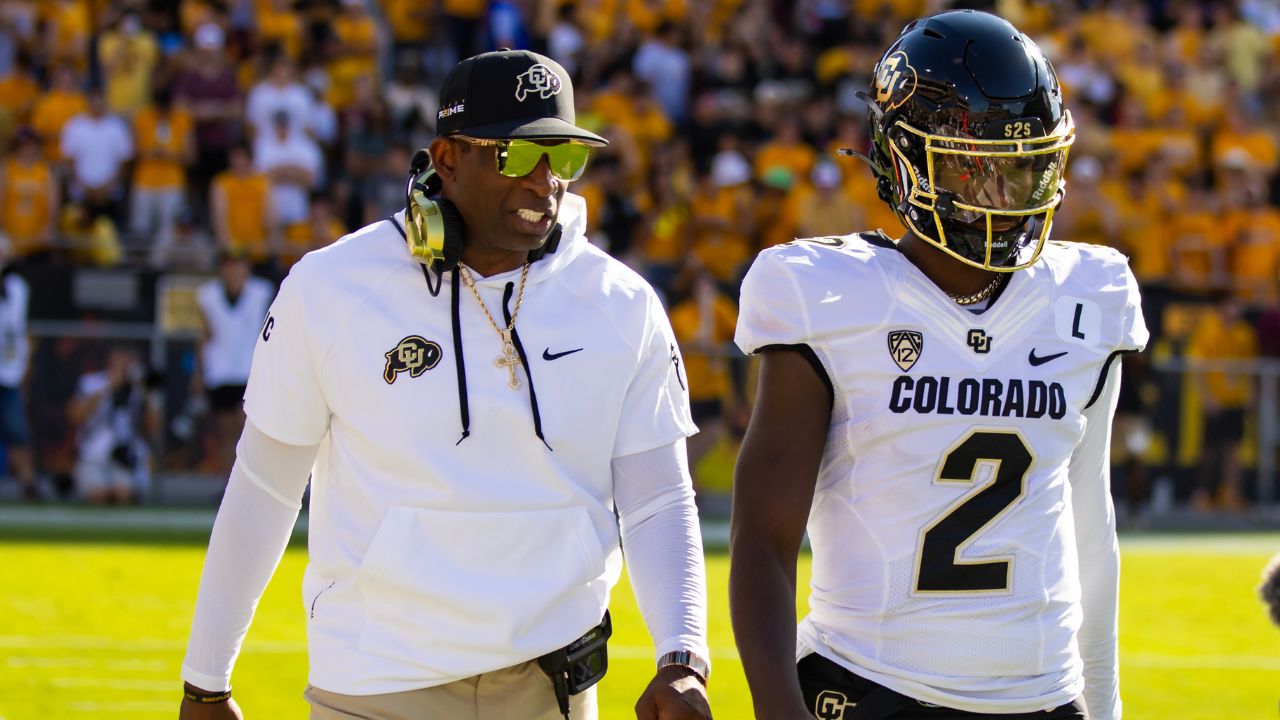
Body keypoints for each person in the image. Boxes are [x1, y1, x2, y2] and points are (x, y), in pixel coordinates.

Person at [180, 50, 712, 720]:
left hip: (553, 689)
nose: (546, 181)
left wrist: (683, 656)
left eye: (564, 157)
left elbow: (659, 498)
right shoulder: (331, 288)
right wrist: (206, 680)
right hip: (377, 685)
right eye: (519, 155)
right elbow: (265, 485)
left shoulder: (622, 301)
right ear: (448, 157)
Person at [729, 11, 1146, 720]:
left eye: (1022, 167)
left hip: (1043, 697)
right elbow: (763, 540)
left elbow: (1087, 526)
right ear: (902, 160)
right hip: (871, 687)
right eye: (973, 166)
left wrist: (1101, 707)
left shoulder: (1091, 295)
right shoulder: (826, 291)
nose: (1003, 195)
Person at [193, 250, 275, 477]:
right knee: (225, 430)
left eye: (237, 264)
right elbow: (204, 335)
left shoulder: (261, 292)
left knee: (246, 428)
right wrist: (198, 371)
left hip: (249, 369)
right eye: (228, 265)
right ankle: (227, 481)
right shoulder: (207, 296)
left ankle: (250, 480)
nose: (233, 270)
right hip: (220, 369)